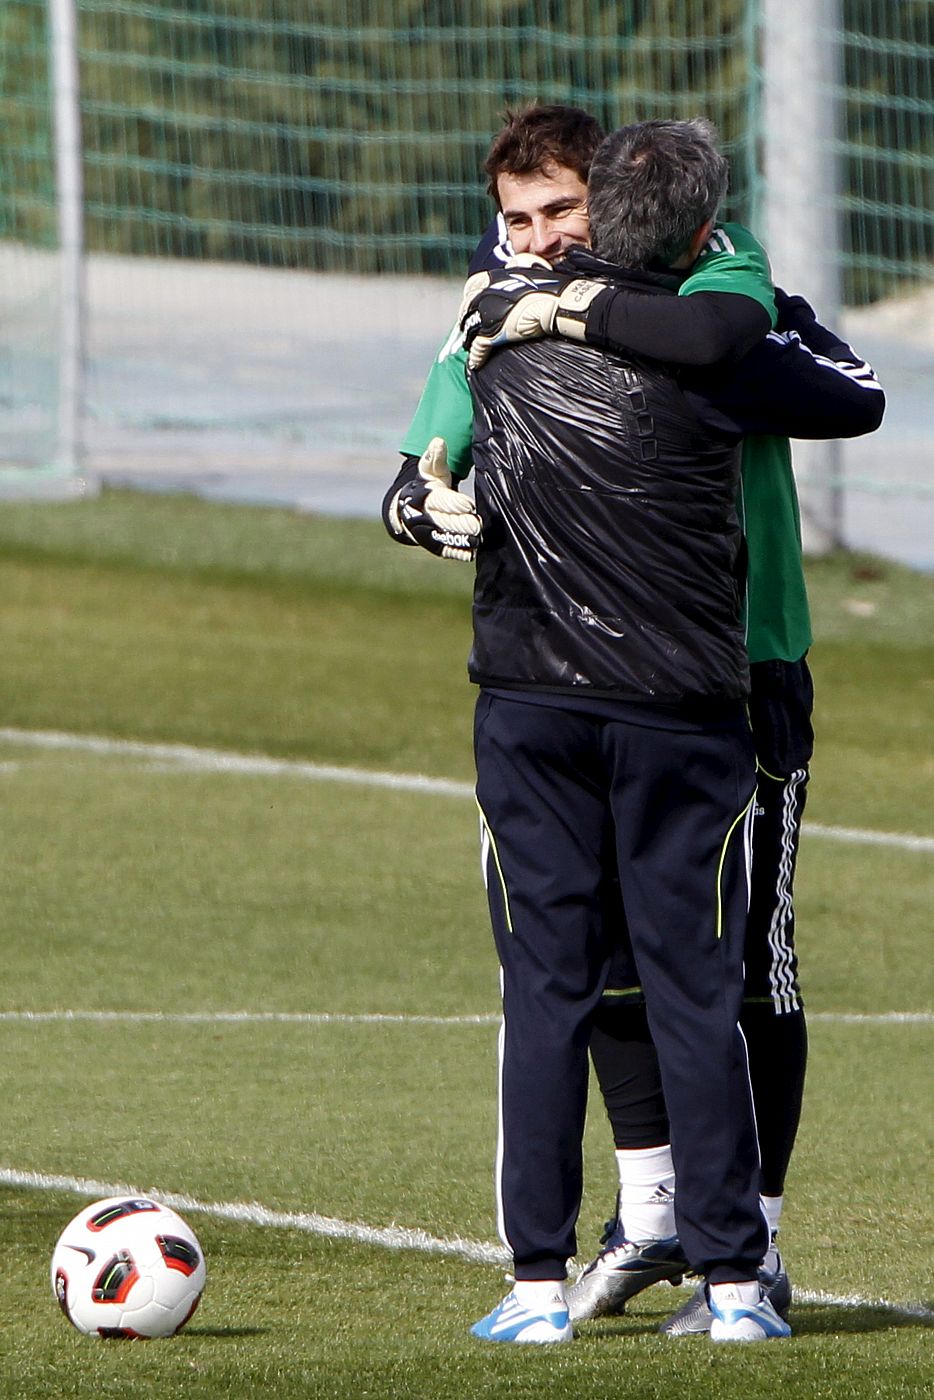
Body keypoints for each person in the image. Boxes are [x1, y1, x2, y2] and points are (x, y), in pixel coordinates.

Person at [384, 104, 884, 1336]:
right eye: (518, 219)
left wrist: (566, 310)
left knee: (737, 966)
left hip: (742, 662)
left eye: (562, 211)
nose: (540, 239)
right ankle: (656, 1209)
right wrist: (415, 491)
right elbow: (438, 423)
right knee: (604, 959)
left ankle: (750, 1240)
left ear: (612, 198)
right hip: (603, 677)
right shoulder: (495, 300)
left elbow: (807, 375)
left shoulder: (718, 274)